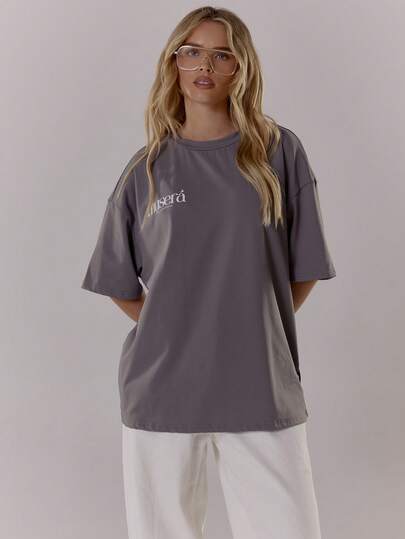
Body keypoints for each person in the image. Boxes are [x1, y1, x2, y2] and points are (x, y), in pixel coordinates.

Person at [81, 6, 336, 539]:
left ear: (241, 68)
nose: (205, 66)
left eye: (222, 55)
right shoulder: (146, 169)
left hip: (261, 385)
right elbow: (118, 279)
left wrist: (247, 325)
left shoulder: (278, 153)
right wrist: (178, 328)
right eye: (192, 52)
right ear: (173, 63)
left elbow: (304, 267)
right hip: (162, 390)